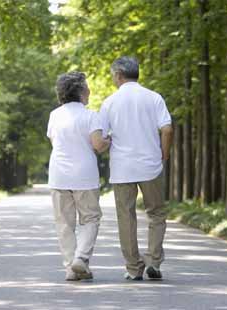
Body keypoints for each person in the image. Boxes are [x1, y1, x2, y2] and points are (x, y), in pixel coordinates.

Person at [100, 56, 173, 281]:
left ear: (119, 75)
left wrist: (107, 144)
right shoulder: (154, 98)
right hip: (150, 165)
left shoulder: (109, 102)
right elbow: (167, 130)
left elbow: (102, 139)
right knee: (157, 213)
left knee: (126, 217)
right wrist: (164, 155)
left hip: (122, 168)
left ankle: (134, 268)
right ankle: (153, 261)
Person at [47, 71, 111, 281]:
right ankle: (81, 259)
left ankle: (70, 268)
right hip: (84, 176)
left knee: (64, 223)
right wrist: (109, 140)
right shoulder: (91, 115)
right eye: (87, 86)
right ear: (81, 91)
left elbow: (54, 142)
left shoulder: (54, 115)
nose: (89, 90)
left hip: (58, 176)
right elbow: (98, 145)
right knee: (90, 218)